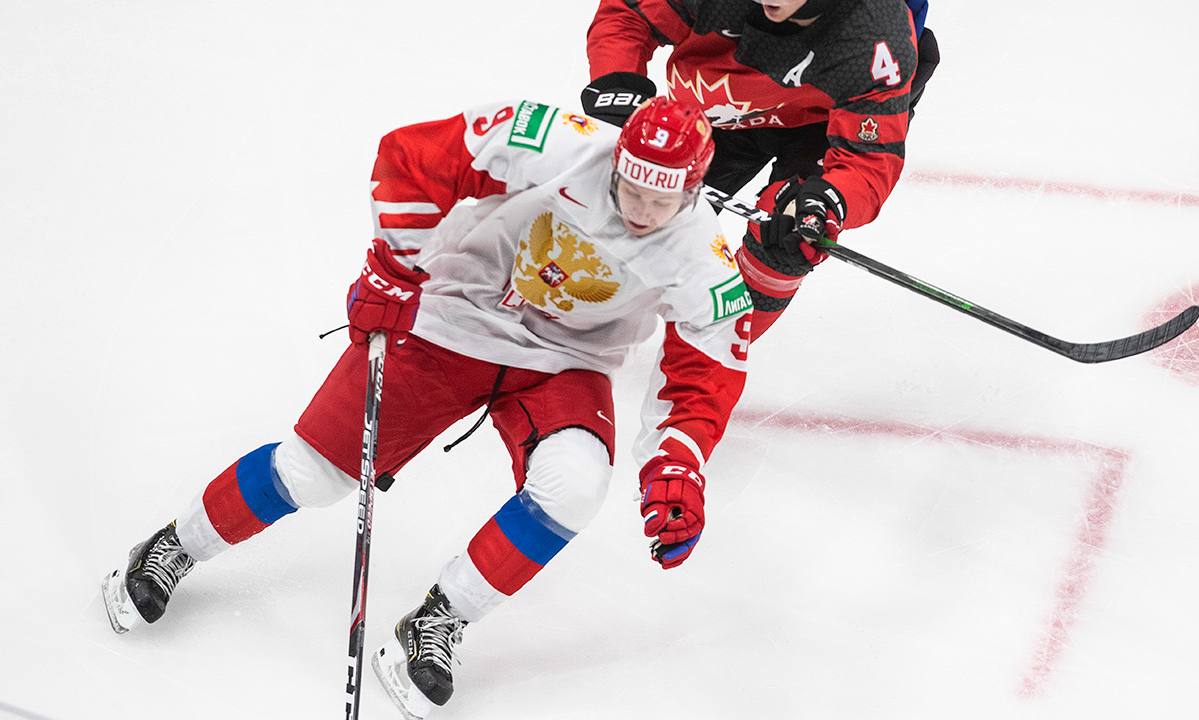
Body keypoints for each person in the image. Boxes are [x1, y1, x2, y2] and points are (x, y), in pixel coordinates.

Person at [100, 96, 752, 718]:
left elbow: (708, 368)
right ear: (616, 162)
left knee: (576, 486)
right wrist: (392, 265)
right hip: (452, 313)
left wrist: (678, 460)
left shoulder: (705, 261)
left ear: (693, 191)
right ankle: (174, 545)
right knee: (310, 475)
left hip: (562, 364)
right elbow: (416, 155)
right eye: (630, 189)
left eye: (659, 199)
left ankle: (439, 620)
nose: (640, 208)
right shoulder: (561, 143)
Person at [582, 0, 941, 338]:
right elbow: (630, 13)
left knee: (788, 237)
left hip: (824, 124)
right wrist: (617, 85)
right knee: (640, 201)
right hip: (719, 107)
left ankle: (715, 350)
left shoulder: (876, 36)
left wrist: (831, 201)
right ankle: (574, 322)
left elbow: (869, 161)